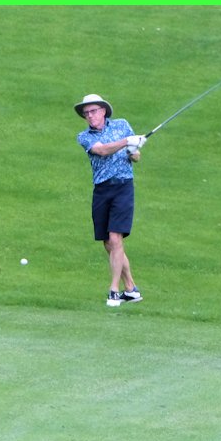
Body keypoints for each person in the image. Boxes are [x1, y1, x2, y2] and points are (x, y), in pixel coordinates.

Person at [74, 94, 147, 307]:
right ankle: (131, 289)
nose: (90, 116)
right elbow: (102, 151)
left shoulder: (122, 125)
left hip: (123, 187)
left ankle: (114, 290)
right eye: (86, 113)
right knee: (108, 243)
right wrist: (127, 142)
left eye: (93, 111)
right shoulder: (84, 137)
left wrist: (132, 150)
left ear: (103, 111)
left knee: (115, 238)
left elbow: (136, 157)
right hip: (102, 190)